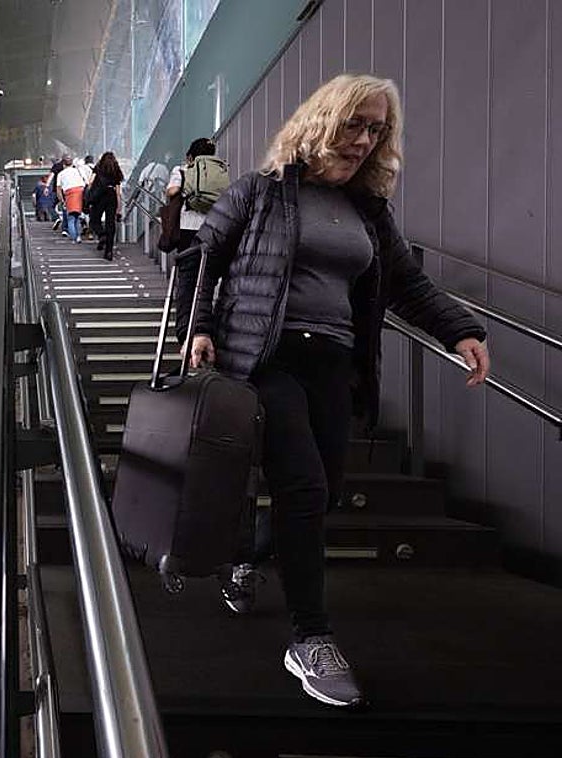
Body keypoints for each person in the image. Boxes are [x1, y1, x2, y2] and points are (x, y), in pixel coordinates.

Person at [174, 74, 490, 709]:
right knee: (304, 485)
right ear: (322, 121)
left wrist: (461, 330)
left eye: (377, 129)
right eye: (355, 124)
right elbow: (197, 263)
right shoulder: (258, 194)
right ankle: (309, 638)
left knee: (318, 494)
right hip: (265, 356)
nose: (365, 139)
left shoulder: (369, 212)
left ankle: (246, 555)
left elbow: (407, 284)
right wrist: (199, 329)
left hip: (335, 365)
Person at [166, 138, 219, 254]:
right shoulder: (218, 171)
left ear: (190, 156)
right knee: (207, 263)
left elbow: (172, 191)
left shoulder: (182, 170)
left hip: (188, 224)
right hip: (212, 225)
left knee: (186, 262)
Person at [87, 151, 124, 261]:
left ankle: (101, 234)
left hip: (99, 196)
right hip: (111, 195)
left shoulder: (98, 167)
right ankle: (109, 251)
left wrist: (89, 195)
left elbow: (90, 182)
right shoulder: (116, 170)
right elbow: (118, 191)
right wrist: (119, 207)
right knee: (110, 224)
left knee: (94, 220)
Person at [55, 158, 86, 242]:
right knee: (77, 216)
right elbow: (86, 181)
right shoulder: (78, 171)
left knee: (71, 218)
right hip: (80, 192)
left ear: (63, 165)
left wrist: (62, 201)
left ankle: (74, 238)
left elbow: (58, 189)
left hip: (69, 194)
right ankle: (78, 236)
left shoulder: (61, 174)